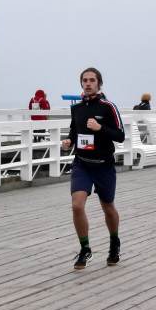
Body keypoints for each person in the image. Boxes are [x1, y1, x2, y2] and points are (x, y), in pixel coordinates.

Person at [61, 67, 125, 270]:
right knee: (77, 205)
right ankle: (85, 248)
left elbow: (120, 135)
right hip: (82, 164)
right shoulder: (77, 108)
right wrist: (69, 141)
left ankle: (114, 242)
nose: (88, 83)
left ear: (99, 83)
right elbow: (75, 130)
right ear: (81, 83)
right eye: (84, 80)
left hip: (104, 166)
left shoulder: (108, 107)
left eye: (92, 80)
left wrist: (100, 129)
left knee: (108, 207)